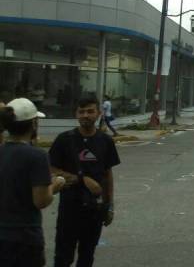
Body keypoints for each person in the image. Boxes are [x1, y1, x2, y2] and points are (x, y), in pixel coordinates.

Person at [49, 95, 121, 267]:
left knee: (87, 257)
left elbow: (107, 174)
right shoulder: (64, 140)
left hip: (95, 210)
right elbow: (51, 169)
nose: (85, 115)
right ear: (76, 114)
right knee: (62, 257)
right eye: (81, 112)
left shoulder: (105, 141)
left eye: (90, 111)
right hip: (69, 209)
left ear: (98, 113)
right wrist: (81, 180)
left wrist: (110, 205)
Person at [0, 98, 65, 267]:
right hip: (25, 238)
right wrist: (55, 184)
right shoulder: (37, 156)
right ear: (34, 123)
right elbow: (41, 200)